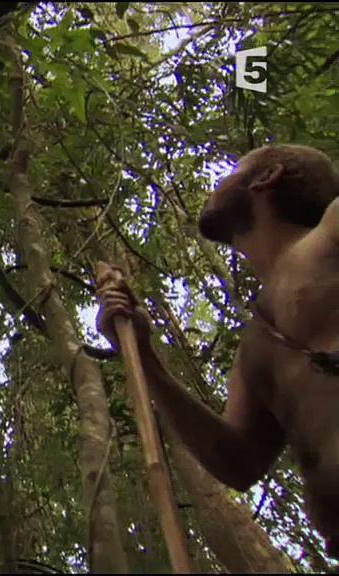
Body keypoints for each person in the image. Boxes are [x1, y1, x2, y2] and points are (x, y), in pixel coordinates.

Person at [96, 143, 339, 561]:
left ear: (266, 178)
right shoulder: (255, 346)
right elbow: (238, 463)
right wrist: (144, 356)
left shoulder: (331, 233)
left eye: (233, 169)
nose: (216, 185)